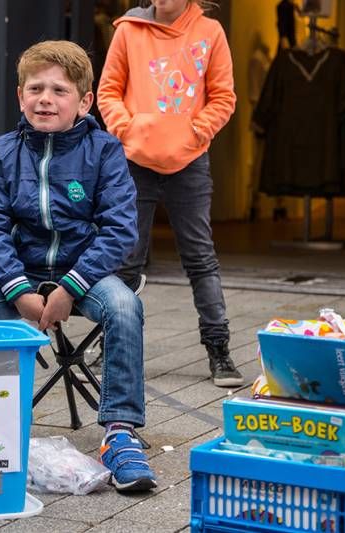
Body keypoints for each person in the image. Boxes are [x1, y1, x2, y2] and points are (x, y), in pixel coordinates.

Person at [0, 41, 156, 493]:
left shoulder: (105, 151)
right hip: (23, 273)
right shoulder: (4, 150)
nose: (45, 99)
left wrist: (71, 287)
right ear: (20, 96)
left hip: (87, 274)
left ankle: (119, 433)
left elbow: (119, 230)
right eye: (35, 88)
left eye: (59, 90)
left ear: (85, 101)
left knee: (124, 306)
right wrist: (19, 292)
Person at [97, 0, 242, 387]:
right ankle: (115, 348)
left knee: (199, 257)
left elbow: (223, 97)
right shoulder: (128, 30)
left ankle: (219, 352)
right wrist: (128, 131)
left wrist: (195, 132)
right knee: (126, 259)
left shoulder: (210, 32)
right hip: (134, 163)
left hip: (190, 162)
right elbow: (108, 90)